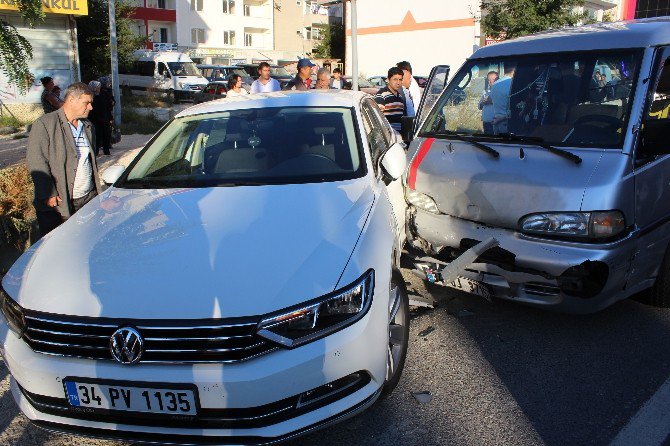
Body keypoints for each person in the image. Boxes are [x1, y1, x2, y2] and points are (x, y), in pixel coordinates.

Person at [26, 82, 101, 238]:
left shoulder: (88, 126)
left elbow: (89, 161)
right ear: (71, 100)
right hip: (58, 204)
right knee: (57, 247)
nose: (90, 108)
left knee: (85, 242)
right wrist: (48, 192)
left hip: (86, 199)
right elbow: (36, 160)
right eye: (86, 103)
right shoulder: (45, 124)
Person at [374, 66, 406, 132]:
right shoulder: (381, 95)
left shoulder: (400, 97)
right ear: (388, 80)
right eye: (395, 79)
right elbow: (377, 119)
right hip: (388, 137)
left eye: (400, 80)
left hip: (398, 137)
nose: (398, 82)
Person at [91, 77, 115, 156]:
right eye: (97, 87)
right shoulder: (91, 97)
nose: (99, 88)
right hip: (95, 119)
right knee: (97, 136)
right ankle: (96, 151)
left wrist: (110, 118)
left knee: (106, 134)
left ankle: (106, 150)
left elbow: (108, 107)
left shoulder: (105, 93)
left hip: (105, 118)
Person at [490, 62, 516, 134]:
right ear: (515, 70)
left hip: (496, 123)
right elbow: (514, 107)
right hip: (507, 123)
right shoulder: (512, 84)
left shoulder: (495, 84)